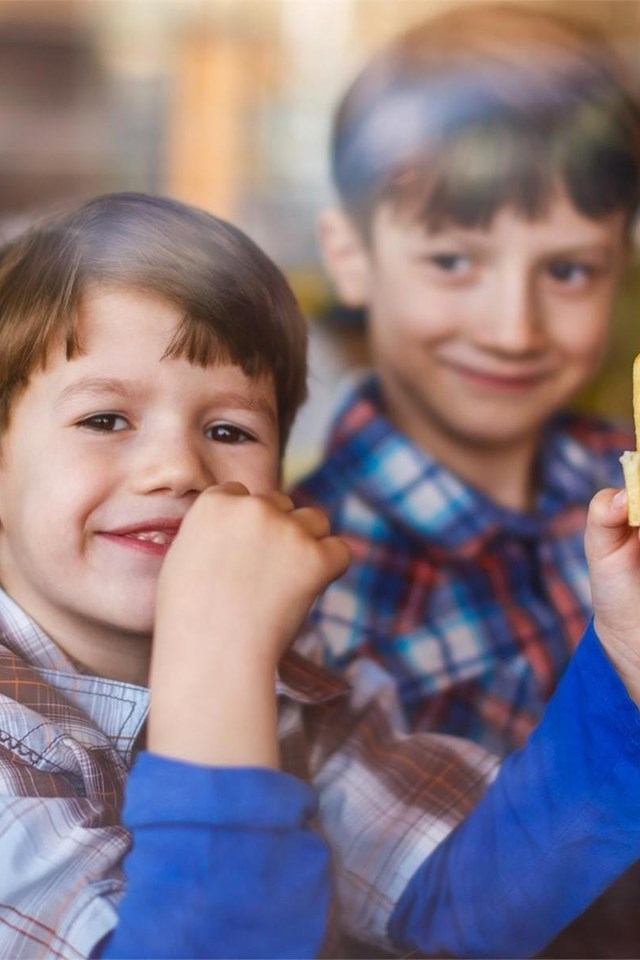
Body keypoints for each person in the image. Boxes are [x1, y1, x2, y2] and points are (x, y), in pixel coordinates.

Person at [1, 192, 640, 960]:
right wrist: (216, 661)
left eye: (229, 430)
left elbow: (460, 908)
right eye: (105, 419)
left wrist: (624, 662)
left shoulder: (298, 686)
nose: (178, 468)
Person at [290, 4, 640, 954]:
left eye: (568, 270)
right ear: (352, 255)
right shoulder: (297, 580)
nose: (513, 326)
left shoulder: (618, 472)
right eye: (453, 259)